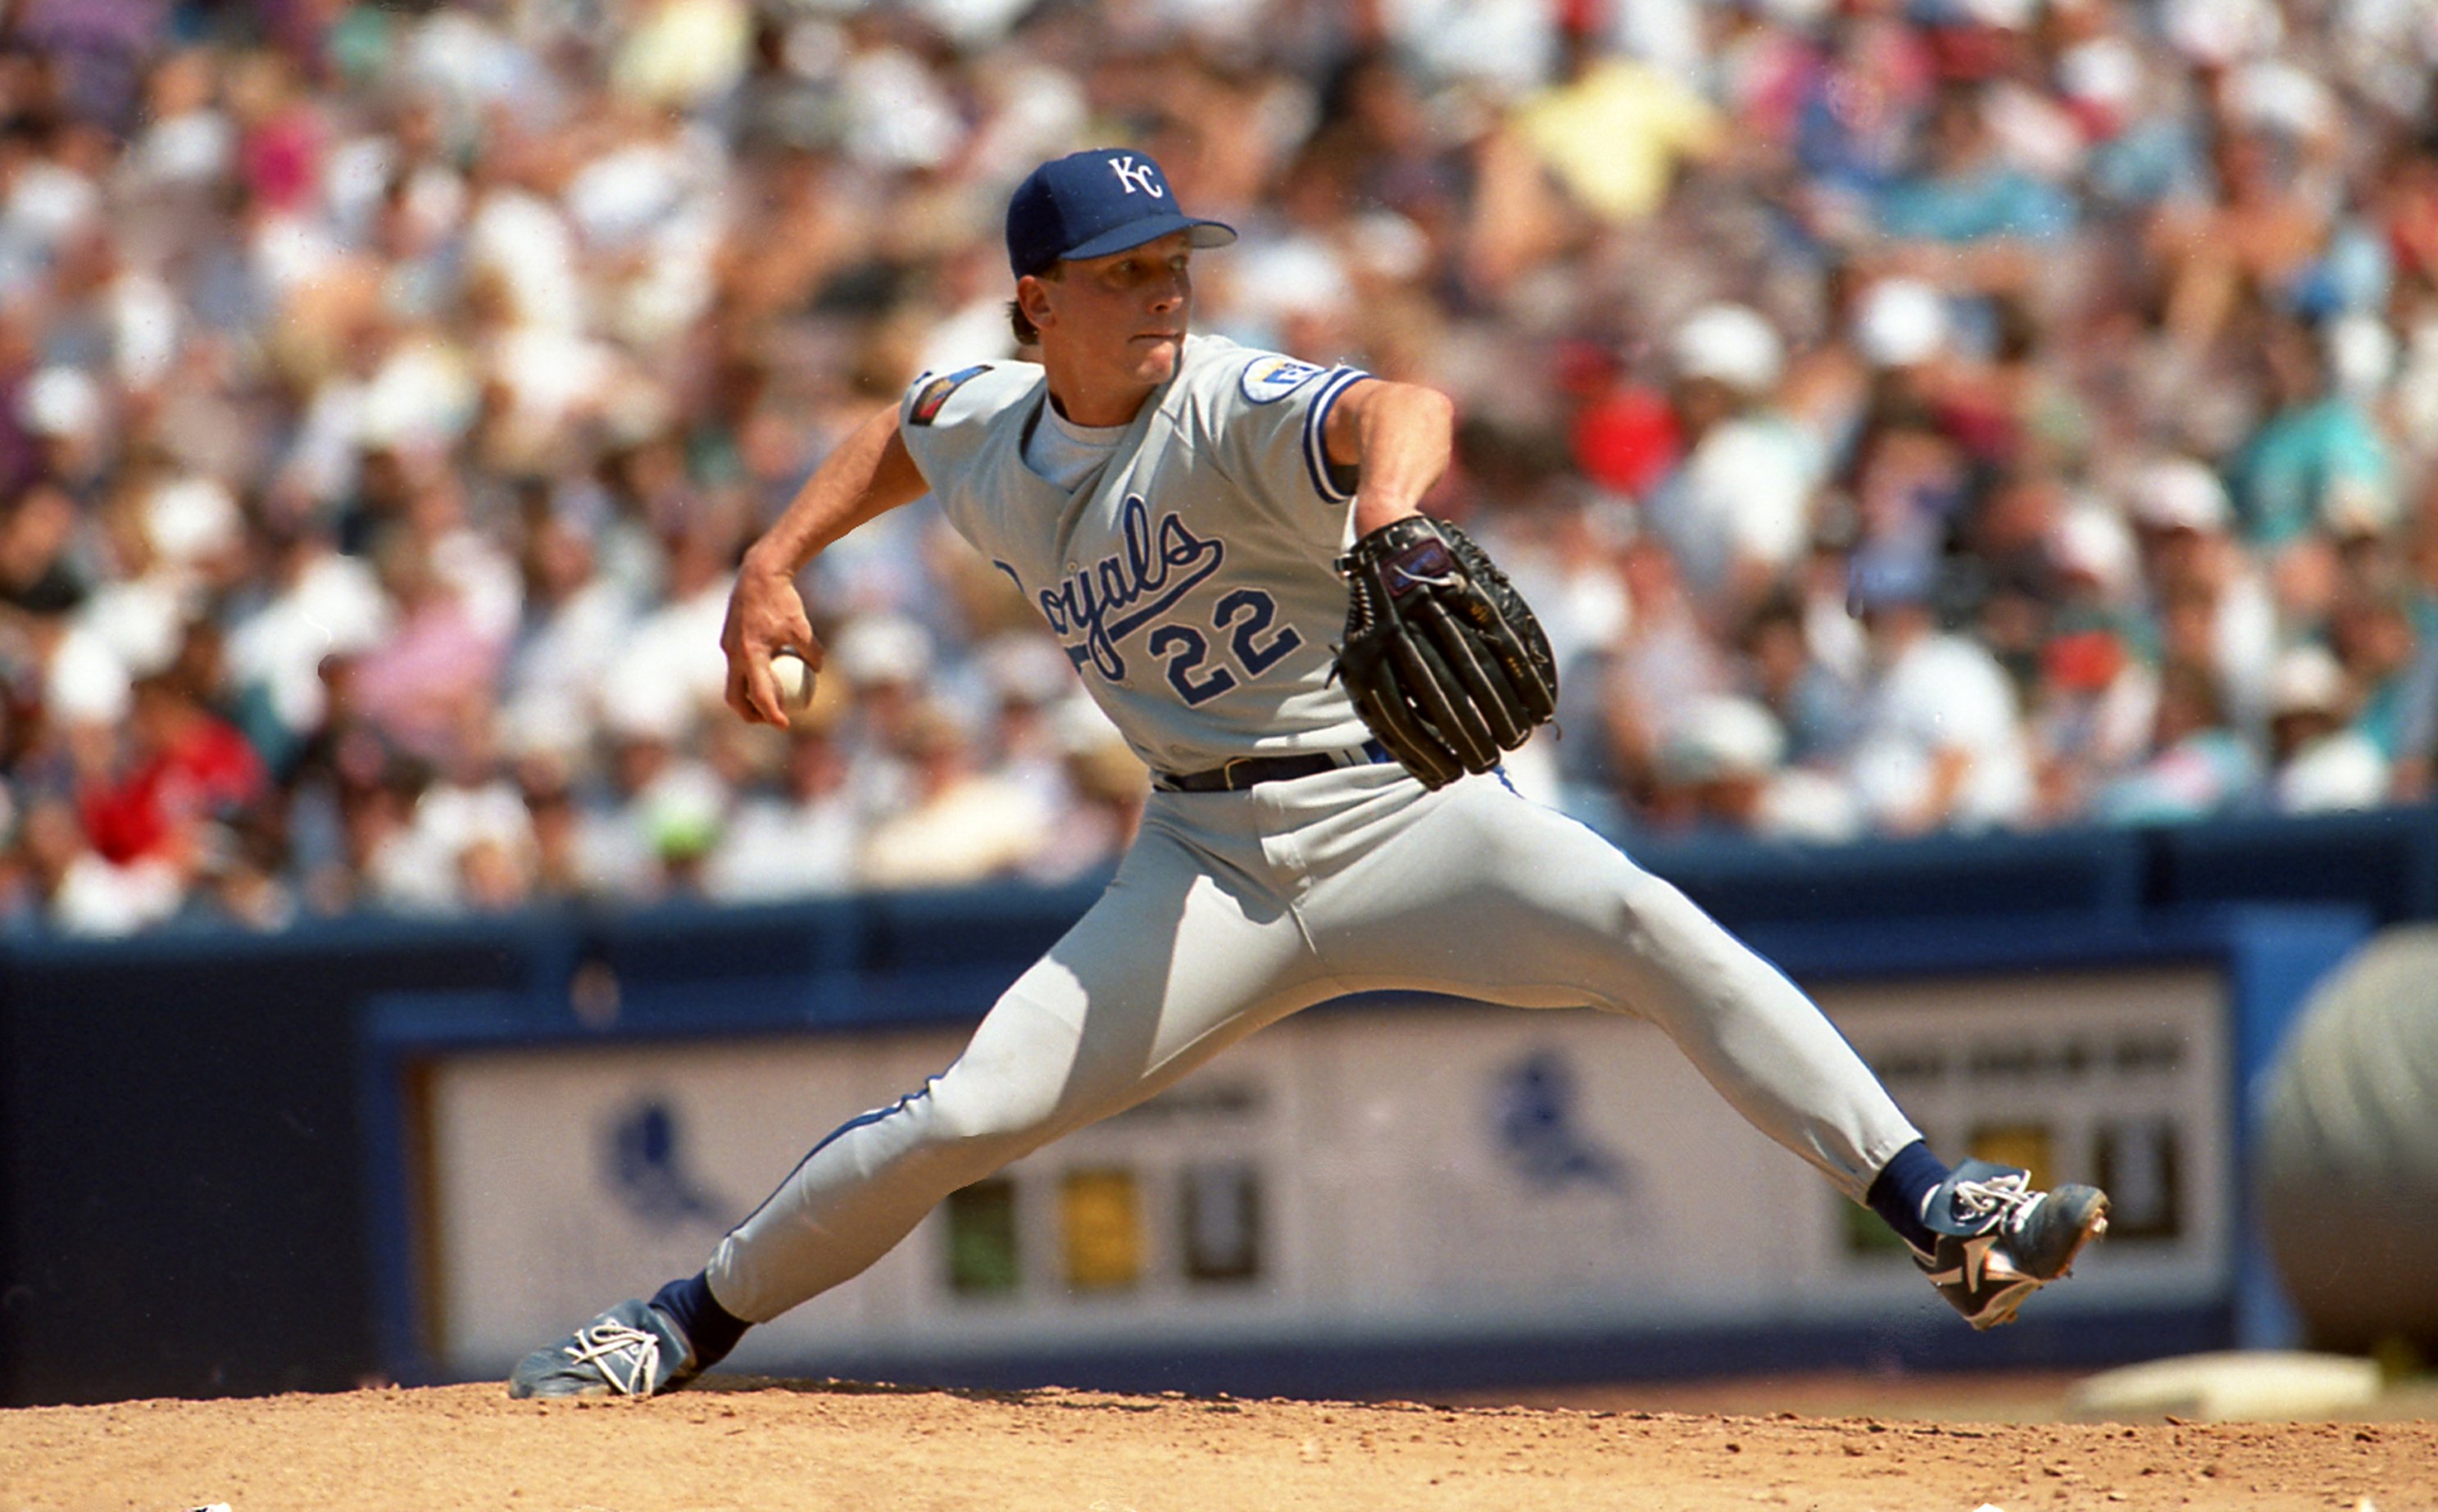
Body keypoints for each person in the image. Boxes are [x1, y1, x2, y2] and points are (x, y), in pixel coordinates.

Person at [508, 149, 2109, 1399]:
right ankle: (674, 1326)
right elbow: (901, 429)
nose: (1163, 299)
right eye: (1122, 276)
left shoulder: (1222, 402)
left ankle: (1936, 1209)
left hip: (1397, 808)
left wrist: (1394, 518)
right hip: (1200, 865)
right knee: (964, 1116)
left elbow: (1401, 403)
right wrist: (771, 555)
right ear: (1034, 303)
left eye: (1173, 268)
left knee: (1648, 925)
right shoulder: (993, 423)